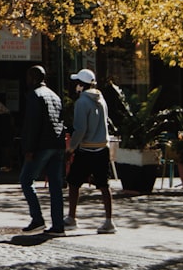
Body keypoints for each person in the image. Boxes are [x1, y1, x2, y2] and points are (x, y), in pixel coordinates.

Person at [64, 68, 116, 234]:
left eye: (76, 83)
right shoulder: (101, 99)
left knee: (73, 183)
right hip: (102, 147)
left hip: (86, 149)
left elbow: (80, 129)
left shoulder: (81, 102)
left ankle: (72, 217)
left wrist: (71, 148)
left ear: (81, 85)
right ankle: (109, 221)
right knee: (104, 185)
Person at [19, 65, 67, 236]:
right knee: (55, 186)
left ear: (32, 77)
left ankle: (37, 218)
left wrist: (28, 149)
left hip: (42, 144)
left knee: (26, 180)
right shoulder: (55, 96)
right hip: (57, 144)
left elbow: (32, 124)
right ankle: (58, 225)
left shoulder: (34, 95)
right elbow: (61, 120)